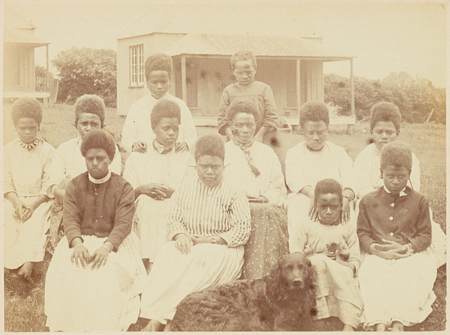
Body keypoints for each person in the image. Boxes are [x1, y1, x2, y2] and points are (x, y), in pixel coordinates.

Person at [140, 134, 251, 331]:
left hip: (223, 250)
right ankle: (154, 316)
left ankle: (166, 319)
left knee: (198, 259)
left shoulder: (234, 190)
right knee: (168, 254)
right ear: (196, 164)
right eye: (204, 166)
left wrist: (213, 239)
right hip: (190, 244)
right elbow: (174, 217)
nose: (209, 172)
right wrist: (180, 235)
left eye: (215, 167)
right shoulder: (186, 187)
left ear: (224, 165)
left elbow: (242, 230)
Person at [44, 129, 146, 332]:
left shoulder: (123, 187)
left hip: (114, 243)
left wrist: (107, 247)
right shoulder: (75, 185)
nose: (95, 163)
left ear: (110, 158)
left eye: (101, 158)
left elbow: (123, 223)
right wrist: (77, 243)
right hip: (80, 240)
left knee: (106, 274)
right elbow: (70, 218)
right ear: (84, 159)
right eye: (90, 158)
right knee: (69, 270)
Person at [353, 101, 446, 268]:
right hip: (372, 207)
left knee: (425, 227)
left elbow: (412, 188)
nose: (384, 136)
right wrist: (380, 196)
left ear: (397, 133)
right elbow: (359, 187)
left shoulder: (409, 157)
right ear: (372, 132)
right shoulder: (365, 157)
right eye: (379, 131)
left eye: (389, 132)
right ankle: (377, 248)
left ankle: (405, 246)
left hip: (404, 205)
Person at [357, 141, 437, 331]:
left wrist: (409, 247)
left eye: (401, 176)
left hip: (408, 253)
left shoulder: (419, 201)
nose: (395, 181)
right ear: (380, 173)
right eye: (390, 176)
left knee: (410, 274)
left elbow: (425, 235)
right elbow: (363, 232)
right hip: (378, 253)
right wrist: (374, 248)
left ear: (409, 175)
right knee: (372, 274)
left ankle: (400, 320)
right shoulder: (368, 201)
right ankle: (378, 321)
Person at [47, 94, 122, 252]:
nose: (88, 128)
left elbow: (112, 184)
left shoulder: (111, 149)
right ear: (76, 124)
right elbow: (53, 185)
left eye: (94, 123)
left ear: (102, 125)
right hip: (70, 205)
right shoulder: (65, 149)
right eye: (84, 123)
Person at [123, 99, 192, 272]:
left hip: (178, 205)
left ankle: (167, 267)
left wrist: (174, 192)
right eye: (166, 128)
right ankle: (148, 266)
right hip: (144, 206)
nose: (171, 133)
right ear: (153, 128)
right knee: (148, 207)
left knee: (166, 210)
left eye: (175, 129)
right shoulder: (140, 155)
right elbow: (127, 192)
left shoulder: (185, 156)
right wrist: (142, 189)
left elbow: (193, 190)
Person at [223, 98, 287, 278]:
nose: (245, 130)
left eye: (249, 125)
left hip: (265, 207)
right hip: (233, 210)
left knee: (267, 213)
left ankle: (266, 278)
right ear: (231, 126)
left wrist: (267, 197)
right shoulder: (224, 152)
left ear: (256, 126)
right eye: (239, 125)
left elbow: (278, 187)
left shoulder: (266, 153)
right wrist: (241, 198)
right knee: (258, 214)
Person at [290, 179, 363, 331]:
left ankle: (348, 323)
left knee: (346, 277)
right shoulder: (305, 225)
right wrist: (305, 254)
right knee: (317, 263)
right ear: (315, 205)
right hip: (315, 273)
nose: (328, 211)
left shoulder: (346, 226)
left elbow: (355, 258)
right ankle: (321, 318)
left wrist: (345, 258)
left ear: (341, 206)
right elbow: (294, 257)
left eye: (333, 207)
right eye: (323, 206)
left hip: (340, 272)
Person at [285, 102, 355, 252]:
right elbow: (294, 180)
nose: (316, 137)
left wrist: (347, 196)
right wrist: (313, 196)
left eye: (321, 132)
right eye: (311, 133)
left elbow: (350, 178)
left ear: (327, 128)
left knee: (346, 208)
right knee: (298, 206)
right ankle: (301, 252)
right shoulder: (294, 154)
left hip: (335, 199)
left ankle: (343, 251)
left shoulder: (338, 152)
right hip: (307, 197)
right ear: (302, 131)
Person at [4, 98, 56, 281]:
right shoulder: (7, 151)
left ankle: (28, 264)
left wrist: (33, 205)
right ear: (15, 127)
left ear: (39, 126)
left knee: (36, 221)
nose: (27, 132)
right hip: (15, 199)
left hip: (38, 200)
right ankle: (11, 263)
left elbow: (48, 184)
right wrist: (17, 203)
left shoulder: (48, 151)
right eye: (22, 128)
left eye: (31, 128)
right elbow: (5, 182)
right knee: (7, 218)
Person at [121, 53, 197, 154]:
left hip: (173, 159)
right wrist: (134, 145)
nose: (159, 86)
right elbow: (126, 137)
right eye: (155, 82)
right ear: (147, 82)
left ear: (170, 81)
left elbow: (192, 136)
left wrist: (186, 144)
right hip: (145, 160)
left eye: (163, 82)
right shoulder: (137, 107)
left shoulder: (180, 106)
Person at [217, 50, 279, 143]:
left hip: (260, 139)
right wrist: (232, 137)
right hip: (235, 141)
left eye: (248, 72)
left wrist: (259, 136)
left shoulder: (264, 89)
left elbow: (272, 117)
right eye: (240, 73)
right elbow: (222, 119)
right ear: (233, 71)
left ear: (255, 69)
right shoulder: (228, 91)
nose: (244, 76)